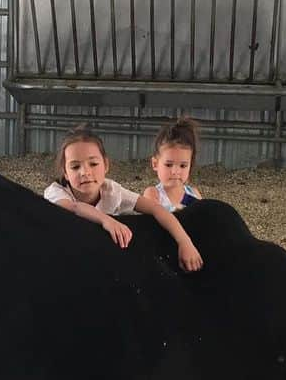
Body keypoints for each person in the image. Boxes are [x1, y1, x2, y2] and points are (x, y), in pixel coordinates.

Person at [44, 125, 203, 271]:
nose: (84, 172)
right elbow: (73, 207)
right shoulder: (56, 191)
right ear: (65, 172)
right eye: (75, 166)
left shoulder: (112, 191)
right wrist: (107, 220)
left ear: (106, 165)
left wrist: (184, 242)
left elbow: (156, 209)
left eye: (93, 164)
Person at [141, 116, 203, 213]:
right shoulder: (153, 194)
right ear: (155, 164)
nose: (175, 172)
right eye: (169, 165)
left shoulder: (193, 194)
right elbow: (152, 222)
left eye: (183, 166)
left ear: (190, 165)